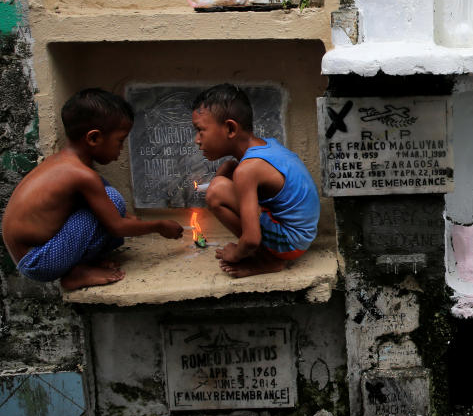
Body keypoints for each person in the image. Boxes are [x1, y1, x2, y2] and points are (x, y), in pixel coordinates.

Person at [1, 89, 183, 289]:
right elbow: (116, 226)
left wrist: (128, 220)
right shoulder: (82, 175)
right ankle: (75, 274)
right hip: (39, 261)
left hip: (35, 255)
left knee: (108, 200)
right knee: (112, 199)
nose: (121, 149)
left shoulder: (64, 163)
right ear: (94, 138)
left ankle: (82, 264)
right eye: (120, 141)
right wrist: (159, 226)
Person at [192, 84, 320, 278]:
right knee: (227, 170)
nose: (197, 140)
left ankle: (267, 260)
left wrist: (236, 253)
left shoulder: (247, 169)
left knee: (216, 191)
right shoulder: (265, 147)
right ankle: (266, 254)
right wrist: (225, 172)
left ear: (230, 128)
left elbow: (251, 239)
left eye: (201, 130)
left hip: (291, 242)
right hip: (302, 234)